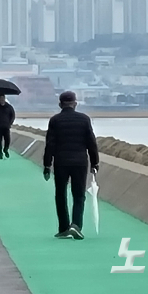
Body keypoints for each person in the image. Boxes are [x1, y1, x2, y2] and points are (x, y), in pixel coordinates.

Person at [42, 91, 99, 240]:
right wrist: (95, 162)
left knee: (60, 194)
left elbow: (50, 145)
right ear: (75, 103)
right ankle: (76, 226)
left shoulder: (55, 120)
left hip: (61, 162)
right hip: (80, 162)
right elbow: (91, 143)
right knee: (79, 195)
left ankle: (63, 228)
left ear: (60, 104)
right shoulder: (84, 119)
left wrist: (47, 165)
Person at [0, 94, 15, 160]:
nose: (2, 100)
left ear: (4, 98)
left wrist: (10, 123)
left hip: (6, 126)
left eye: (3, 98)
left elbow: (12, 115)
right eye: (0, 99)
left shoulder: (9, 107)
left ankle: (5, 149)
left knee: (7, 140)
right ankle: (0, 154)